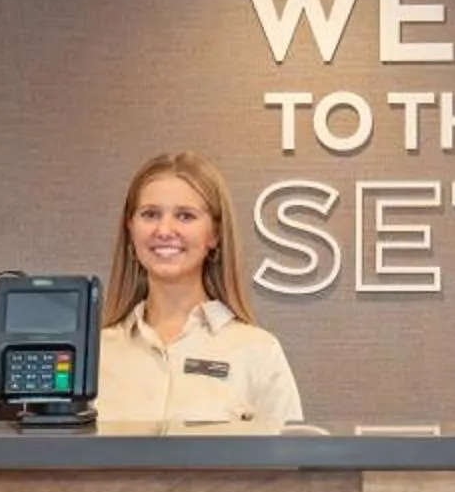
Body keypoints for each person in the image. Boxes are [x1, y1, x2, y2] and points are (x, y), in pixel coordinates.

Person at [93, 150, 304, 429]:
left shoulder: (258, 352)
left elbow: (288, 467)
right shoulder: (93, 356)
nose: (164, 230)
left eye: (185, 216)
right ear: (130, 229)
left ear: (214, 234)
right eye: (150, 214)